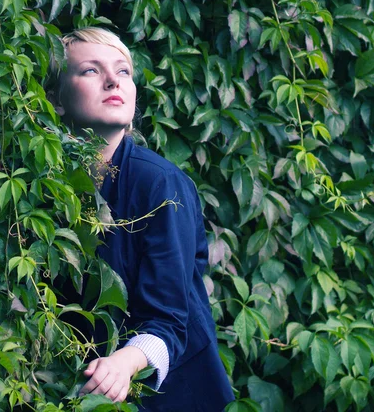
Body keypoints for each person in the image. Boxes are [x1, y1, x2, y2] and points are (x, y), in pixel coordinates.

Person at [49, 27, 235, 411]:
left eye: (123, 71)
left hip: (174, 395)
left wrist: (123, 362)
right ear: (56, 99)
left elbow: (169, 318)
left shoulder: (160, 185)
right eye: (90, 70)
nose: (113, 80)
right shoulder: (43, 185)